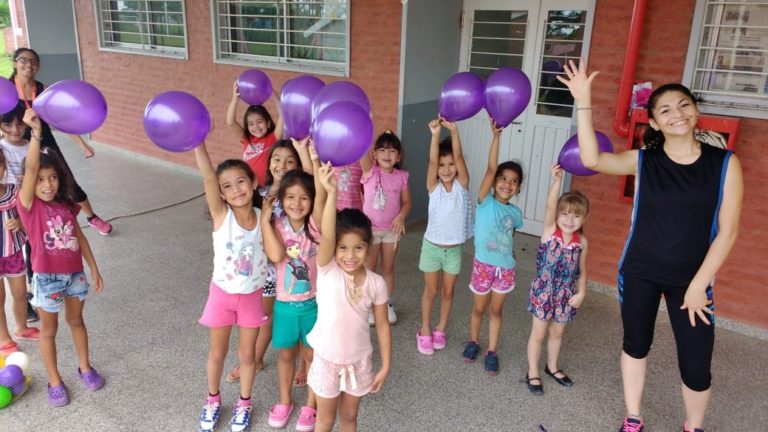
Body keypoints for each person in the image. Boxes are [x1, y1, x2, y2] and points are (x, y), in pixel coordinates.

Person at [558, 60, 743, 432]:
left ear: (696, 112)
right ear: (654, 123)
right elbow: (592, 159)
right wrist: (583, 102)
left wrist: (697, 286)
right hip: (640, 270)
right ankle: (633, 416)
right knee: (635, 344)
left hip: (692, 281)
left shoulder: (724, 164)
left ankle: (694, 426)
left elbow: (729, 232)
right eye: (665, 110)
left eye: (684, 105)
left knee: (696, 364)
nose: (677, 113)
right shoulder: (644, 161)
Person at [17, 108, 104, 407]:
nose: (47, 184)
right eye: (41, 179)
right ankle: (54, 379)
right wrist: (36, 133)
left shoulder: (67, 204)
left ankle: (85, 367)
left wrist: (93, 268)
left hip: (74, 274)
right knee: (49, 330)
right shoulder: (29, 206)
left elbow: (78, 236)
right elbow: (29, 170)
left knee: (77, 321)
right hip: (46, 277)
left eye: (52, 177)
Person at [307, 161, 391, 432]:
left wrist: (386, 364)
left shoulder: (376, 283)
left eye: (358, 248)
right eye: (343, 248)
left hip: (360, 362)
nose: (350, 255)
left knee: (350, 419)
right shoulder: (327, 268)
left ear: (369, 247)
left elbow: (381, 325)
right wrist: (331, 194)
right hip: (326, 360)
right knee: (325, 420)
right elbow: (328, 236)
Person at [194, 141, 270, 432]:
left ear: (253, 182)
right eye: (227, 186)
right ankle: (213, 399)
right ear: (221, 194)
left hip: (251, 297)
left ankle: (244, 403)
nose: (236, 189)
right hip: (222, 296)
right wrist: (199, 144)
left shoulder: (265, 217)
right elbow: (208, 177)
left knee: (248, 356)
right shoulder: (221, 216)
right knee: (217, 352)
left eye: (241, 181)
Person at [225, 139, 312, 388]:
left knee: (292, 312)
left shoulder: (299, 196)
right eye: (276, 159)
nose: (281, 165)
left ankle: (305, 365)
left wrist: (305, 152)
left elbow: (311, 182)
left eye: (289, 160)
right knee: (262, 316)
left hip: (293, 267)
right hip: (261, 267)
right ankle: (256, 359)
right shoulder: (259, 194)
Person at [10, 48, 112, 235]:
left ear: (38, 67)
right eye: (23, 60)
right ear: (15, 63)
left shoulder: (44, 90)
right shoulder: (6, 89)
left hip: (46, 143)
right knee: (25, 185)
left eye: (33, 62)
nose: (29, 65)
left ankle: (92, 217)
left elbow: (62, 119)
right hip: (18, 145)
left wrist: (83, 145)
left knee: (67, 180)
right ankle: (28, 225)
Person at [261, 150, 327, 430]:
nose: (297, 203)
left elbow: (322, 194)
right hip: (285, 306)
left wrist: (312, 159)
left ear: (311, 201)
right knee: (286, 355)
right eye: (290, 197)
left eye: (303, 197)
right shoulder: (276, 225)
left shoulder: (316, 225)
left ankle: (310, 406)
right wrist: (265, 219)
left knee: (311, 355)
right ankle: (285, 400)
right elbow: (276, 256)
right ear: (281, 200)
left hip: (314, 304)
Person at [461, 119, 524, 375]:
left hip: (504, 269)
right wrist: (495, 137)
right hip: (483, 265)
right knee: (479, 308)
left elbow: (511, 237)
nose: (507, 184)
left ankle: (491, 350)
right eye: (502, 178)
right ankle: (474, 341)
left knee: (496, 311)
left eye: (513, 181)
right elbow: (489, 168)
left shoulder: (516, 213)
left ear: (519, 187)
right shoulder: (485, 201)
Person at [525, 164, 589, 394]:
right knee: (539, 333)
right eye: (565, 213)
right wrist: (556, 181)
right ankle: (532, 371)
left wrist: (581, 292)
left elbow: (582, 269)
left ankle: (552, 366)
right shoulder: (550, 231)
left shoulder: (581, 242)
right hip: (544, 291)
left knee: (557, 333)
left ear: (584, 218)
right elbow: (550, 205)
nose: (570, 220)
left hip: (565, 294)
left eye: (576, 215)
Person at [416, 118, 471, 355]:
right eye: (442, 165)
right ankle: (425, 329)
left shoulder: (462, 185)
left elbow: (459, 157)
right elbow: (431, 160)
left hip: (453, 250)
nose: (447, 169)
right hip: (431, 248)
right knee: (432, 291)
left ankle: (441, 328)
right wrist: (436, 135)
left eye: (450, 164)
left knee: (448, 291)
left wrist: (455, 131)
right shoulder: (433, 187)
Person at [360, 131, 412, 325]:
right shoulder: (370, 172)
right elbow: (361, 152)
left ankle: (387, 303)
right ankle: (368, 306)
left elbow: (407, 203)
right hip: (370, 230)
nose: (387, 154)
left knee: (388, 268)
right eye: (382, 150)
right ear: (374, 154)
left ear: (398, 156)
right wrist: (363, 126)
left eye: (392, 150)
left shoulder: (401, 176)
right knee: (369, 269)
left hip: (392, 231)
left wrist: (401, 217)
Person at [0, 102, 38, 325]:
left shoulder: (32, 145)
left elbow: (37, 170)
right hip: (10, 208)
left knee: (33, 254)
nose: (15, 129)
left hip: (28, 207)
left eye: (19, 124)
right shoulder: (1, 148)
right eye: (8, 124)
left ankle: (37, 293)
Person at [0, 144, 40, 356]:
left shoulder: (13, 191)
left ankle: (22, 327)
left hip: (14, 252)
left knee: (20, 294)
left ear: (4, 166)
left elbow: (26, 215)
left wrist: (18, 221)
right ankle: (4, 338)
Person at [226, 80, 284, 188]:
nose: (256, 127)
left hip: (268, 187)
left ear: (268, 123)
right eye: (251, 124)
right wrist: (235, 99)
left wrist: (272, 93)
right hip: (249, 186)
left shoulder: (273, 138)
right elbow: (230, 122)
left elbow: (283, 114)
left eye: (260, 122)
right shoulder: (246, 139)